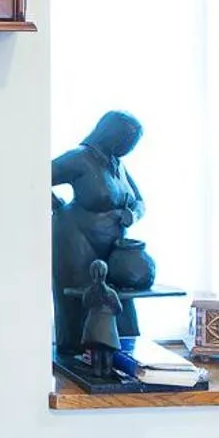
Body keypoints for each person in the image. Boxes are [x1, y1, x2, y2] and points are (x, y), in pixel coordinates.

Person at [50, 111, 157, 352]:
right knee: (83, 304)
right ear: (110, 134)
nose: (128, 148)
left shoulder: (117, 165)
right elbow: (35, 176)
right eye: (125, 141)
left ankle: (125, 357)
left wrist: (133, 214)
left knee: (119, 304)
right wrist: (57, 208)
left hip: (114, 247)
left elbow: (140, 201)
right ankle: (79, 357)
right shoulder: (79, 159)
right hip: (77, 241)